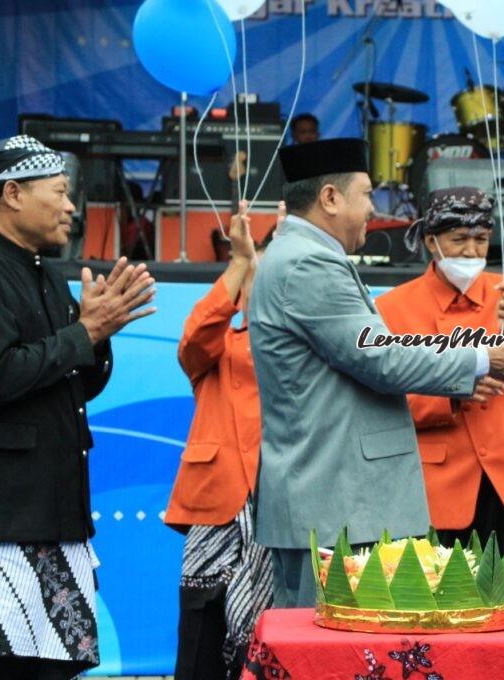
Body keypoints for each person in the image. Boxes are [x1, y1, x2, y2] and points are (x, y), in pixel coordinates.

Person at [248, 138, 504, 608]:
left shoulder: (300, 258)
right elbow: (383, 359)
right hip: (336, 501)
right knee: (333, 653)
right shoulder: (309, 263)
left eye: (481, 237)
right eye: (367, 194)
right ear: (330, 198)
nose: (374, 208)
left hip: (341, 500)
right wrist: (484, 359)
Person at [0, 135, 156, 679]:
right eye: (60, 193)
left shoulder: (44, 272)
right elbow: (0, 375)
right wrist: (85, 331)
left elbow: (69, 389)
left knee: (55, 668)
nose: (71, 206)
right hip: (7, 526)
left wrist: (97, 337)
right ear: (13, 194)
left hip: (54, 515)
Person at [375, 187, 504, 608]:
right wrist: (454, 390)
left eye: (480, 239)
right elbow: (387, 401)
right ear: (430, 242)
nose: (471, 250)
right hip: (436, 488)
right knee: (439, 619)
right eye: (459, 239)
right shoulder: (392, 308)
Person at [165, 202, 280, 680]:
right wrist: (239, 263)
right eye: (260, 275)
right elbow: (194, 338)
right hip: (219, 512)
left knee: (278, 647)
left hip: (285, 515)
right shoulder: (219, 347)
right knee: (202, 649)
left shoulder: (313, 350)